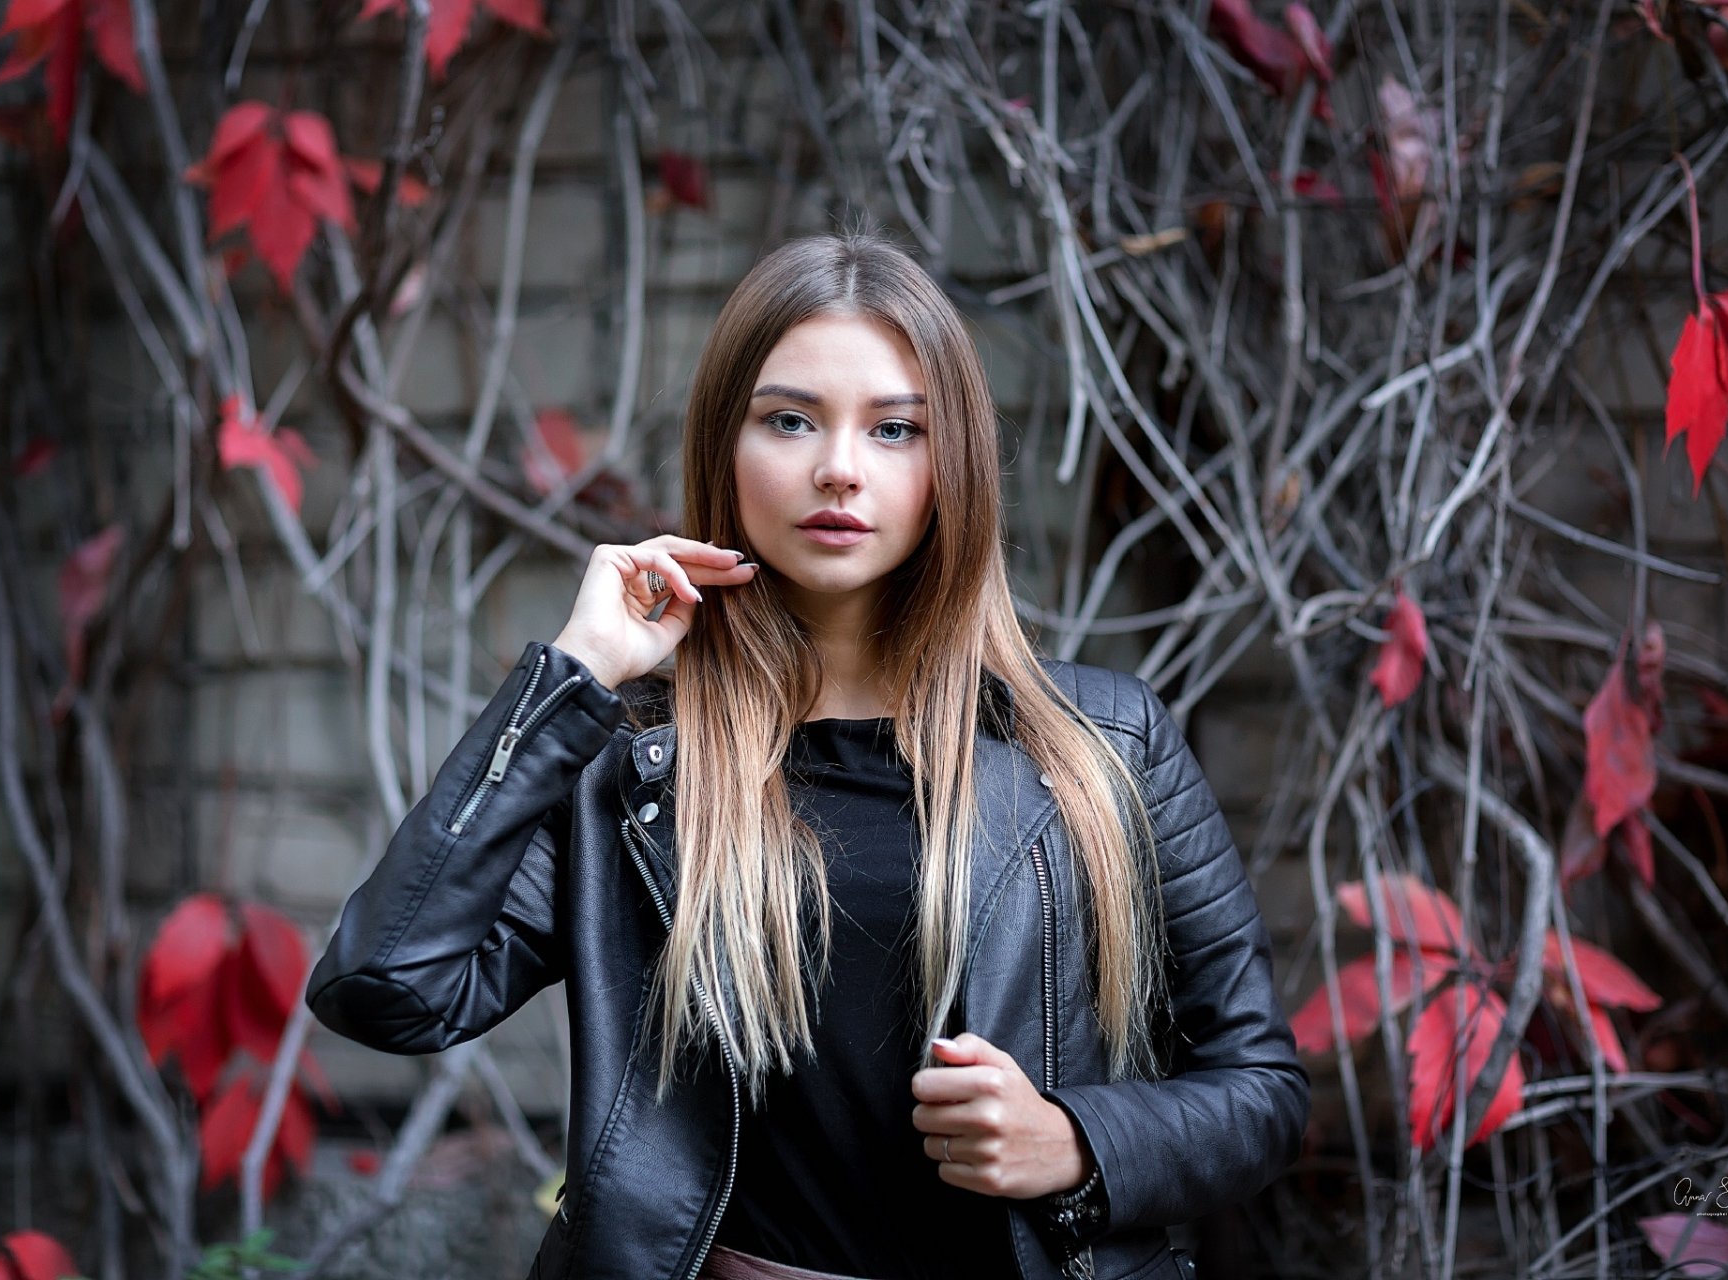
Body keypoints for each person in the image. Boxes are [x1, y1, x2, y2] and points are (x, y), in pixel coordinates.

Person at [306, 232, 1308, 1280]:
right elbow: (387, 985)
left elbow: (1260, 1087)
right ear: (725, 447)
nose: (839, 466)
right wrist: (572, 674)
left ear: (950, 459)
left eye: (894, 428)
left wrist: (1078, 1142)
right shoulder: (636, 760)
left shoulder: (1105, 741)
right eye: (790, 419)